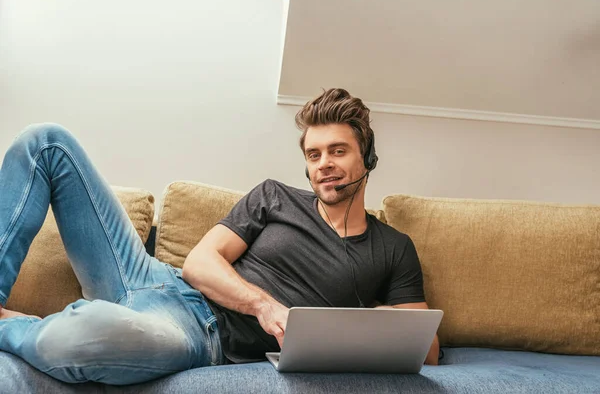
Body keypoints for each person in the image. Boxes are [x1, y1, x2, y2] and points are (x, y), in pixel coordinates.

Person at [0, 88, 439, 385]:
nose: (323, 163)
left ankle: (22, 326)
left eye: (338, 151)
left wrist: (362, 322)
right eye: (314, 154)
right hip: (148, 275)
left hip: (194, 332)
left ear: (368, 157)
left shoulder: (393, 248)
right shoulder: (274, 197)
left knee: (80, 338)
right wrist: (266, 306)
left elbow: (427, 351)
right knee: (46, 142)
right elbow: (199, 263)